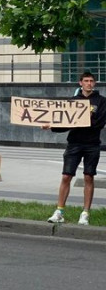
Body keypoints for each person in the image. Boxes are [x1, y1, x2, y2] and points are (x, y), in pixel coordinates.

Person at [44, 72, 106, 225]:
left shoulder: (102, 101)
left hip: (92, 144)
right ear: (80, 83)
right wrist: (51, 126)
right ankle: (59, 211)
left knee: (88, 177)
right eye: (86, 81)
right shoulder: (72, 102)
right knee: (66, 176)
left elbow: (100, 122)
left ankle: (85, 213)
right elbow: (65, 123)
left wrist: (82, 121)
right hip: (74, 144)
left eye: (91, 81)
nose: (89, 83)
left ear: (95, 83)